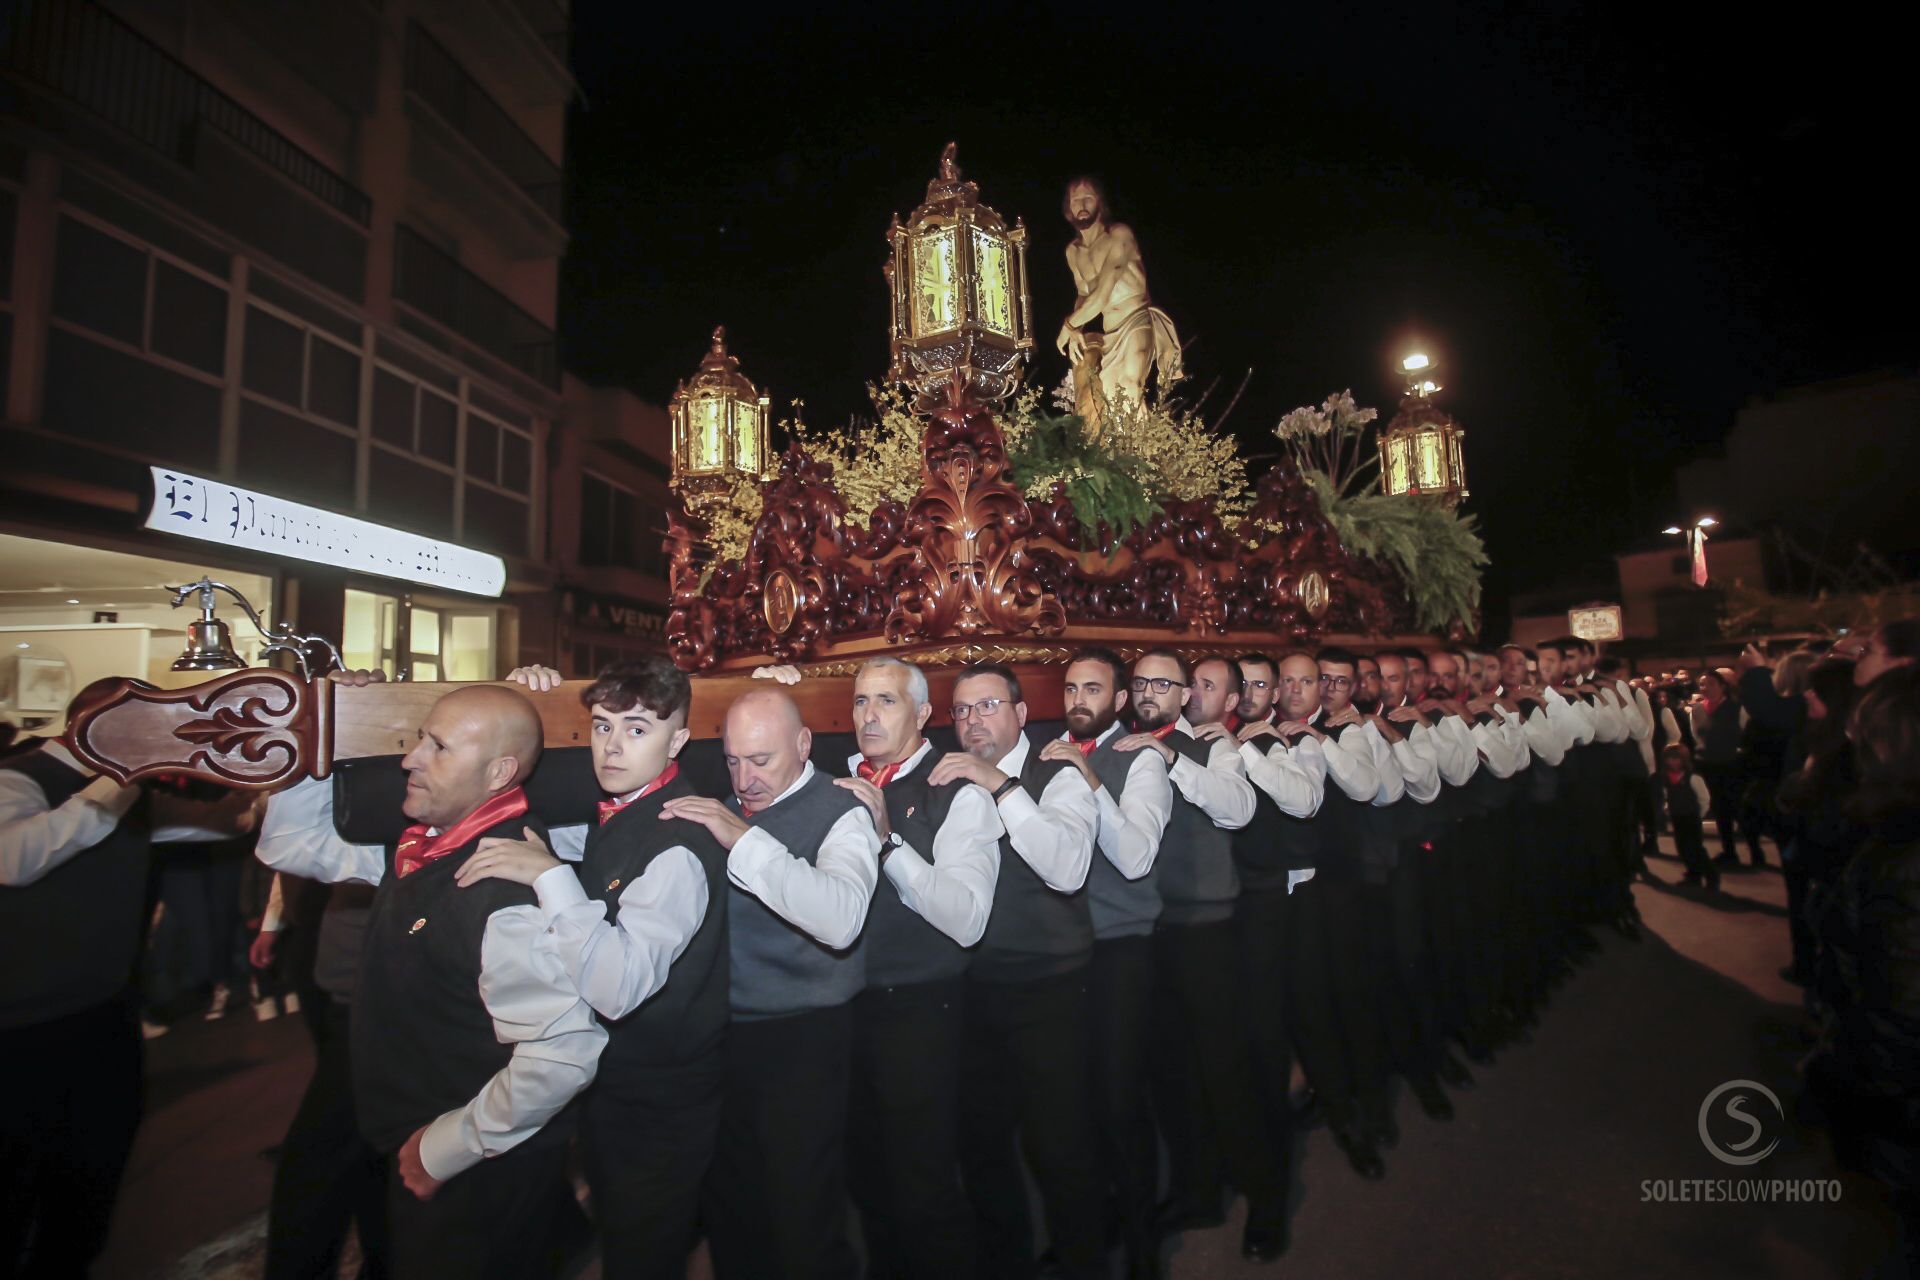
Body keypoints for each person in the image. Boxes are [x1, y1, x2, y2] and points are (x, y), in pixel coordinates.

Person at [255, 682, 608, 1280]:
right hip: (434, 1159)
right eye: (420, 738)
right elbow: (288, 842)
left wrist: (445, 1147)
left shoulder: (505, 891)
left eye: (438, 748)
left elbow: (568, 1053)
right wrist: (326, 727)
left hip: (476, 1170)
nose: (409, 759)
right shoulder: (423, 847)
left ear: (498, 772)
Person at [487, 660, 724, 1280]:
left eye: (638, 729)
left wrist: (549, 878)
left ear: (677, 741)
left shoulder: (679, 841)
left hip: (661, 1095)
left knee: (642, 1253)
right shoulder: (619, 811)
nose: (613, 746)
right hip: (616, 1086)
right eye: (601, 726)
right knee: (623, 1236)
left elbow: (618, 987)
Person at [1, 693, 252, 1278]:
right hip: (20, 1029)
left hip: (102, 1014)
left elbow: (223, 825)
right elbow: (17, 859)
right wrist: (120, 775)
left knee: (91, 1179)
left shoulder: (124, 789)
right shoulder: (21, 777)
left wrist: (271, 782)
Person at [662, 687, 878, 1280]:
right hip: (723, 1032)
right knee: (733, 1201)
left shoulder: (842, 810)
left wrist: (744, 839)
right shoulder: (723, 802)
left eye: (762, 760)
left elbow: (839, 919)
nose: (746, 776)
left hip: (803, 1036)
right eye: (733, 760)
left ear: (804, 744)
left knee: (801, 1207)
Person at [933, 662, 1107, 1280]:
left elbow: (1066, 867)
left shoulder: (1057, 772)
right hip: (973, 988)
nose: (972, 720)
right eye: (961, 710)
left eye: (987, 706)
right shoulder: (946, 781)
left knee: (1061, 1146)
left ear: (1021, 714)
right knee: (981, 1148)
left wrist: (1000, 787)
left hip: (1051, 986)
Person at [832, 657, 1000, 1280]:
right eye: (859, 701)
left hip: (923, 1006)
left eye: (886, 701)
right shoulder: (840, 779)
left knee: (922, 1182)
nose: (868, 715)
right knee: (867, 1177)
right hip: (848, 1004)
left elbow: (967, 919)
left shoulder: (957, 789)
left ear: (923, 713)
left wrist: (887, 842)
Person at [1121, 650, 1284, 1266]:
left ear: (1186, 693)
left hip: (1207, 930)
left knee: (1227, 1071)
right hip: (1146, 934)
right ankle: (1197, 1191)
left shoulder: (1214, 746)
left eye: (1163, 683)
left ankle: (1266, 1199)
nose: (1149, 692)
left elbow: (1237, 807)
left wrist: (1172, 759)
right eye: (1140, 683)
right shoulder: (1118, 749)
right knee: (1171, 1075)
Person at [1046, 648, 1173, 1278]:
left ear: (1119, 701)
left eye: (1092, 689)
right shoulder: (1048, 753)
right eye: (1071, 688)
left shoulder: (1141, 758)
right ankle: (1095, 1229)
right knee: (1074, 1101)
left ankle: (1146, 1247)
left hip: (1122, 945)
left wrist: (1090, 781)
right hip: (1062, 951)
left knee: (1121, 1100)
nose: (1078, 699)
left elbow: (1135, 858)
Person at [1807, 663, 1920, 1275]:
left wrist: (1850, 1090)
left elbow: (1900, 1008)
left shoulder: (1898, 858)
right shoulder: (1888, 843)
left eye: (1866, 734)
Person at [1690, 669, 1748, 866]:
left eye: (1711, 684)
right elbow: (1696, 737)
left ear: (1722, 686)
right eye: (1702, 685)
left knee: (1737, 807)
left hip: (1731, 763)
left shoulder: (1735, 707)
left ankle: (1755, 848)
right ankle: (1729, 851)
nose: (1706, 688)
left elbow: (1746, 732)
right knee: (1720, 809)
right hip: (1708, 764)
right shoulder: (1697, 710)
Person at [1658, 744, 1718, 891]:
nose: (1672, 762)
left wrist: (1699, 814)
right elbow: (1666, 796)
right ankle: (1693, 874)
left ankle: (1712, 876)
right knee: (1682, 847)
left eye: (1676, 759)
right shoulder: (1666, 778)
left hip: (1691, 817)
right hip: (1677, 817)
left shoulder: (1693, 778)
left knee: (1696, 848)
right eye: (1669, 759)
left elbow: (1704, 798)